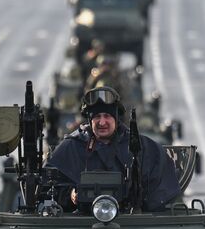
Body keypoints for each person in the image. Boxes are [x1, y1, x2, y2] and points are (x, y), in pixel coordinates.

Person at [45, 87, 181, 213]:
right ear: (90, 120)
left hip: (133, 224)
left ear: (116, 118)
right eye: (97, 117)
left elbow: (163, 191)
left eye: (107, 116)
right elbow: (47, 189)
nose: (102, 122)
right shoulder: (72, 147)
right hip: (81, 224)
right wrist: (71, 195)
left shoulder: (143, 147)